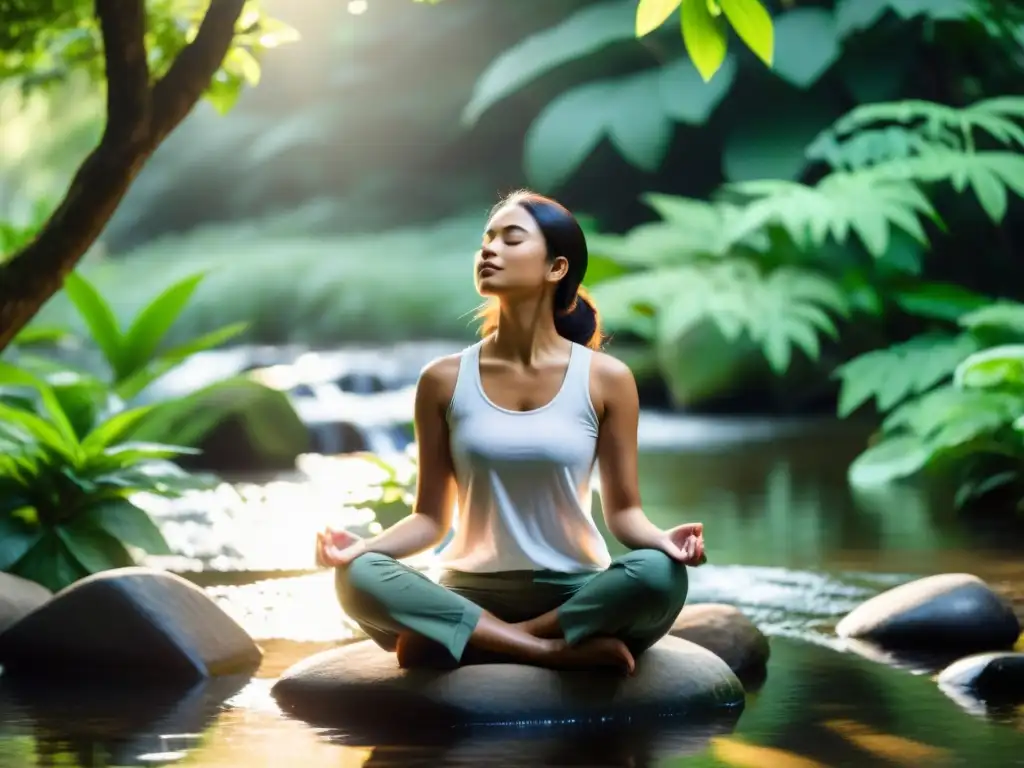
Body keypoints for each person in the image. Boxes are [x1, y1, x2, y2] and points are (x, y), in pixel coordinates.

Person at [315, 190, 706, 675]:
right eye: (487, 239)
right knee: (358, 577)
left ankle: (479, 641)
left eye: (511, 239)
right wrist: (360, 551)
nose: (489, 250)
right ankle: (548, 652)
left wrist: (664, 540)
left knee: (659, 575)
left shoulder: (607, 380)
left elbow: (624, 513)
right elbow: (430, 519)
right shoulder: (442, 380)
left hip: (574, 589)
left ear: (556, 268)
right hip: (469, 588)